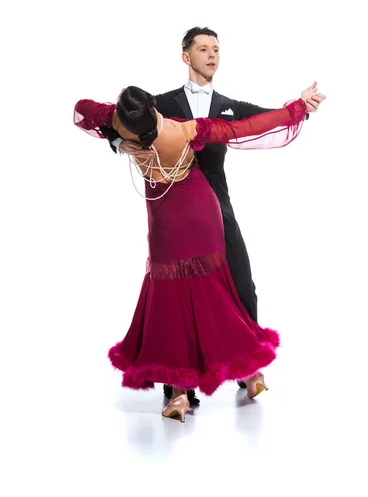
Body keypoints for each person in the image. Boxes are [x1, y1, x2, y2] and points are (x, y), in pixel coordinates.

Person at [73, 82, 326, 422]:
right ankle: (252, 376)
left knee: (170, 303)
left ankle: (179, 395)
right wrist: (297, 108)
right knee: (216, 296)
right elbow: (249, 127)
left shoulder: (122, 129)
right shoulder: (186, 129)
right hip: (201, 213)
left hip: (164, 223)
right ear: (153, 108)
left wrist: (117, 138)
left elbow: (83, 108)